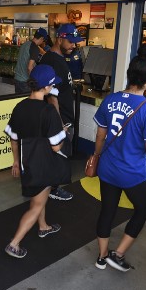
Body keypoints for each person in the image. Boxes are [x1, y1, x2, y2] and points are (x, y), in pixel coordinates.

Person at [92, 45, 146, 272]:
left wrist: (96, 156)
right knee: (142, 209)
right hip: (131, 173)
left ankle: (102, 257)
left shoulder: (110, 99)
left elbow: (100, 135)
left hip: (107, 167)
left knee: (108, 209)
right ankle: (119, 254)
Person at [3, 65, 66, 259]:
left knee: (39, 197)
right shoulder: (48, 111)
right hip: (43, 165)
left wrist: (15, 162)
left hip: (25, 162)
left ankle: (43, 226)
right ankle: (14, 244)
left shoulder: (20, 106)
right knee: (36, 205)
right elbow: (56, 147)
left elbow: (13, 137)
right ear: (47, 87)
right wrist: (64, 132)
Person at [38, 23, 83, 201]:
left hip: (64, 115)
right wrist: (58, 124)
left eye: (75, 42)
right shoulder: (51, 60)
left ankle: (50, 187)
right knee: (56, 154)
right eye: (70, 41)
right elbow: (51, 96)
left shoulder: (58, 58)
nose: (73, 45)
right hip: (58, 117)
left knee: (59, 155)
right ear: (59, 39)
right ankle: (52, 189)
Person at [14, 28, 47, 94]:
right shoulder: (35, 48)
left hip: (17, 79)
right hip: (25, 82)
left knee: (20, 102)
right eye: (43, 40)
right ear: (41, 38)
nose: (42, 42)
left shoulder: (25, 44)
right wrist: (33, 82)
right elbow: (30, 67)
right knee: (28, 103)